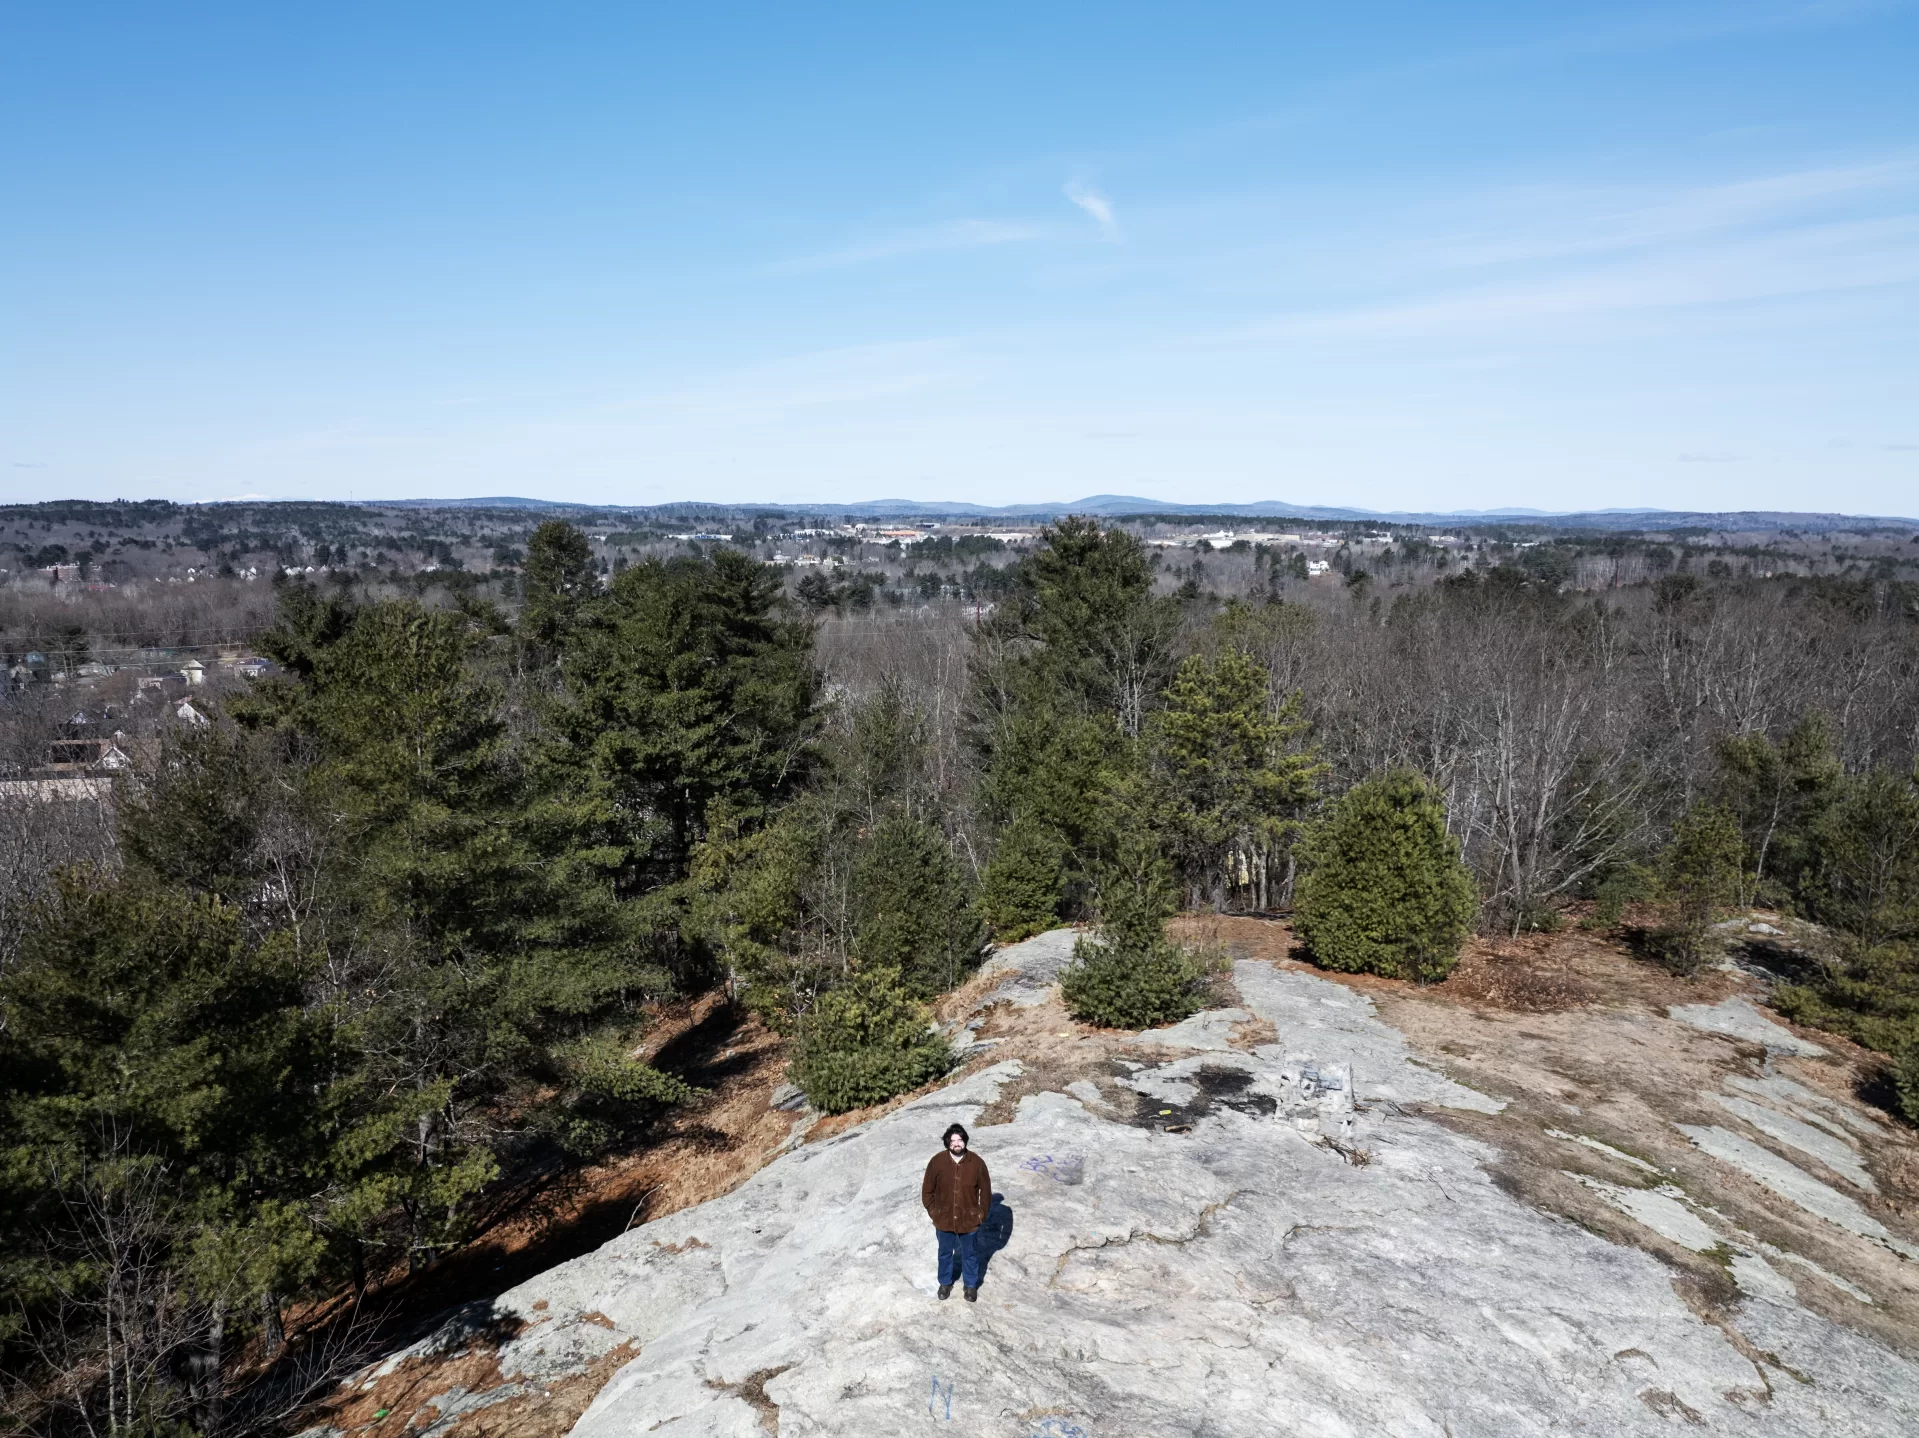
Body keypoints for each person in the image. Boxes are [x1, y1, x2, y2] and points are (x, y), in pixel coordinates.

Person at [920, 1121, 991, 1301]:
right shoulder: (937, 1162)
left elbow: (986, 1191)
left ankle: (970, 1286)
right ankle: (945, 1283)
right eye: (952, 1141)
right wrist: (934, 1212)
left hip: (969, 1219)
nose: (956, 1144)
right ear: (947, 1143)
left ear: (965, 1141)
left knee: (970, 1254)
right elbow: (927, 1191)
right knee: (945, 1253)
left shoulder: (977, 1162)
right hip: (943, 1219)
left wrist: (981, 1214)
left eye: (960, 1140)